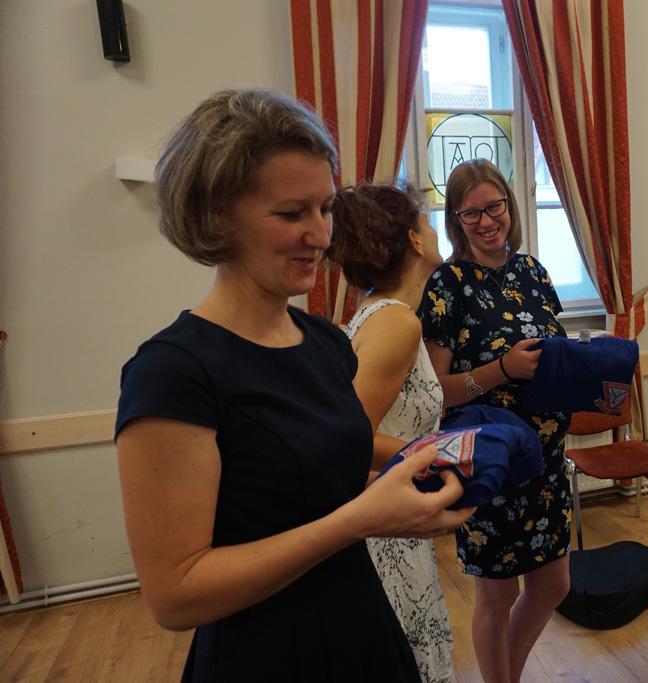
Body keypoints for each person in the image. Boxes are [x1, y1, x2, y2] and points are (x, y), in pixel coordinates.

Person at [115, 89, 473, 682]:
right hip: (268, 657)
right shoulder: (174, 372)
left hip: (362, 631)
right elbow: (175, 595)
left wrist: (411, 495)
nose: (320, 235)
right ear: (216, 218)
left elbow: (320, 486)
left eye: (325, 208)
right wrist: (360, 520)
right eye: (290, 214)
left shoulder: (324, 343)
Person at [419, 159, 571, 683]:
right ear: (456, 221)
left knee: (553, 587)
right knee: (497, 596)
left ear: (510, 204)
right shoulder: (447, 284)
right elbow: (436, 393)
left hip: (546, 463)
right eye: (472, 213)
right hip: (492, 465)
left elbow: (552, 352)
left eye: (494, 207)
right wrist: (502, 370)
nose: (487, 221)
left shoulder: (533, 272)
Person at [327, 182, 455, 682]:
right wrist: (444, 454)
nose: (433, 229)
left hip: (394, 512)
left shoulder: (381, 314)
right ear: (414, 240)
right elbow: (351, 439)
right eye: (426, 221)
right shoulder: (396, 323)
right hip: (384, 528)